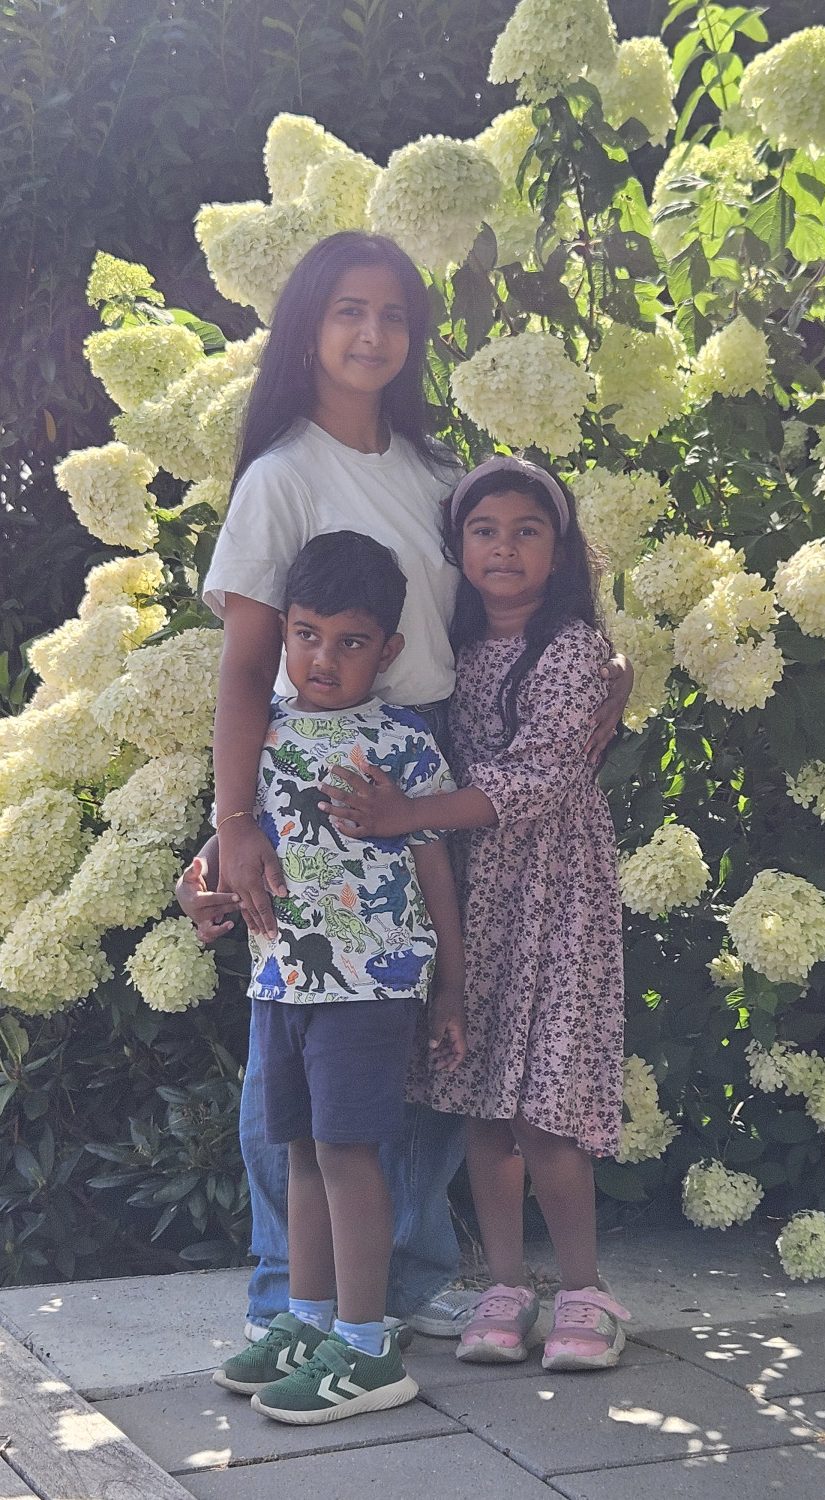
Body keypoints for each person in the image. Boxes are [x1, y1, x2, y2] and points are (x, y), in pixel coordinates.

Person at [184, 231, 629, 1342]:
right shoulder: (283, 474)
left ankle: (408, 1281)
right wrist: (235, 822)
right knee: (301, 1018)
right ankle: (289, 1300)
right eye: (347, 310)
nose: (371, 333)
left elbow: (508, 596)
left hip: (440, 752)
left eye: (392, 314)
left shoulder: (436, 475)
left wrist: (607, 673)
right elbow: (246, 670)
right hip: (321, 765)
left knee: (425, 1020)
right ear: (308, 329)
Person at [319, 455, 630, 1372]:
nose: (503, 548)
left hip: (554, 894)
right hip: (475, 892)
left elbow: (540, 777)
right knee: (485, 1102)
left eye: (527, 532)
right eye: (483, 531)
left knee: (545, 1108)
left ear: (558, 552)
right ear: (456, 548)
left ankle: (584, 1292)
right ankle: (505, 1285)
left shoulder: (570, 648)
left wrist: (407, 814)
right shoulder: (453, 648)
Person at [211, 530, 466, 1424]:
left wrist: (451, 984)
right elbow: (233, 840)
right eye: (307, 635)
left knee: (349, 1153)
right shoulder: (265, 737)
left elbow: (434, 865)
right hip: (281, 982)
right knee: (302, 1152)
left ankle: (366, 1347)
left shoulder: (402, 744)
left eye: (350, 641)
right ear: (283, 631)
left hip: (369, 985)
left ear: (386, 651)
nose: (324, 658)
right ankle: (310, 1321)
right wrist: (199, 887)